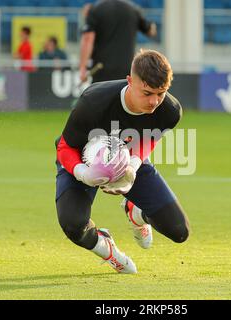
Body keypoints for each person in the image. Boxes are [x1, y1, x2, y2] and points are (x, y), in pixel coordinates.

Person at [55, 50, 190, 274]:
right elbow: (65, 147)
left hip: (128, 157)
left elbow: (149, 139)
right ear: (130, 81)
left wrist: (134, 165)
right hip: (82, 159)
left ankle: (135, 211)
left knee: (179, 231)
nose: (154, 101)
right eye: (147, 93)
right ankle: (107, 249)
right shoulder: (94, 101)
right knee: (73, 225)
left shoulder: (170, 111)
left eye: (161, 93)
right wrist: (83, 174)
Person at [79, 0, 157, 84]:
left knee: (102, 96)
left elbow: (87, 39)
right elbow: (151, 31)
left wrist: (83, 68)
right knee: (122, 96)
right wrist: (151, 24)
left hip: (101, 69)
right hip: (127, 69)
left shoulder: (96, 9)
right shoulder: (133, 9)